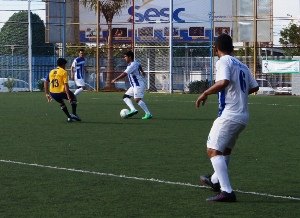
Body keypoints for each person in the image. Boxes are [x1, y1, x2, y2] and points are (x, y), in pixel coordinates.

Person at [195, 34, 259, 202]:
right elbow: (254, 87)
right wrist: (238, 92)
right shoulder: (242, 65)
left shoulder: (223, 61)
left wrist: (205, 92)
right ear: (231, 47)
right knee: (224, 150)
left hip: (229, 114)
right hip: (243, 116)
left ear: (216, 48)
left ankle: (227, 191)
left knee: (213, 150)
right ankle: (215, 180)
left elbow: (223, 82)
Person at [111, 51, 153, 120]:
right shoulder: (135, 62)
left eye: (125, 57)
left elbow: (124, 74)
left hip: (138, 85)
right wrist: (142, 71)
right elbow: (139, 65)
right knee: (125, 97)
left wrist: (115, 79)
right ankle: (133, 110)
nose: (124, 58)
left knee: (137, 99)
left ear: (130, 57)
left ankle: (148, 114)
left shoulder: (132, 65)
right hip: (134, 86)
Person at [44, 58, 81, 122]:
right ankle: (74, 114)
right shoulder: (64, 72)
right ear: (63, 65)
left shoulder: (51, 71)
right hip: (61, 92)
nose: (65, 66)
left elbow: (46, 82)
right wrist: (69, 96)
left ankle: (69, 117)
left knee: (61, 103)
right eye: (65, 65)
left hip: (53, 93)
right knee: (74, 98)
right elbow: (66, 85)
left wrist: (47, 94)